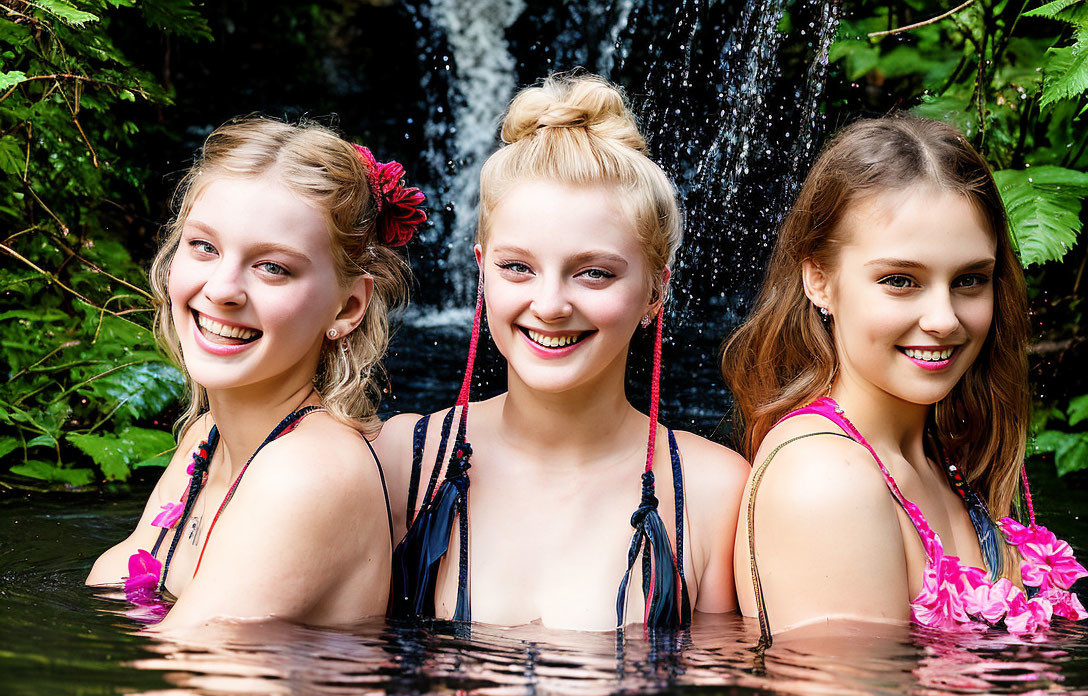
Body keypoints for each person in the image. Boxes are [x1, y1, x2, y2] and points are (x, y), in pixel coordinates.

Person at [376, 73, 749, 631]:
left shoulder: (716, 492)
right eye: (517, 268)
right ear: (480, 270)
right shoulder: (402, 459)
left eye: (593, 273)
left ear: (655, 291)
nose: (549, 305)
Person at [721, 115, 1086, 644]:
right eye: (900, 281)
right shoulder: (826, 480)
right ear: (818, 279)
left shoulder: (947, 457)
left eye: (969, 281)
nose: (944, 318)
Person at [87, 118, 426, 629]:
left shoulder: (308, 473)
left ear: (347, 306)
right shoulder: (206, 440)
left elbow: (175, 679)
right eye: (204, 246)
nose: (222, 289)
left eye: (272, 267)